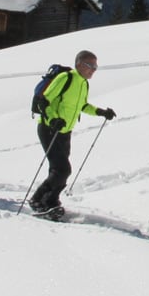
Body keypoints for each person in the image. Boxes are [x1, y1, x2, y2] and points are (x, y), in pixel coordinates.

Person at [29, 50, 117, 218]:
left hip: (65, 132)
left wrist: (101, 112)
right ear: (79, 64)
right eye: (91, 65)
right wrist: (53, 120)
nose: (93, 70)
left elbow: (82, 106)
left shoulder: (83, 83)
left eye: (96, 66)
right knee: (63, 169)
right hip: (49, 129)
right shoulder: (66, 78)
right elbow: (43, 101)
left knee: (58, 170)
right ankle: (37, 199)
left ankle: (51, 201)